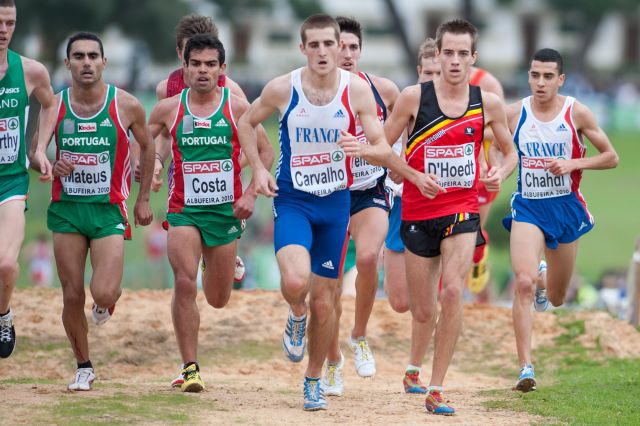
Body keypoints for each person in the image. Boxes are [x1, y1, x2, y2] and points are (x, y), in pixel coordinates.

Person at [238, 14, 427, 411]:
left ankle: (314, 379)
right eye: (316, 45)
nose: (325, 52)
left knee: (326, 300)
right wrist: (257, 169)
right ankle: (295, 314)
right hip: (293, 198)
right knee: (295, 281)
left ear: (340, 46)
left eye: (331, 44)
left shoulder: (356, 91)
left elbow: (380, 143)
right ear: (302, 48)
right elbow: (245, 121)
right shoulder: (281, 88)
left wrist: (370, 152)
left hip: (336, 202)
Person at [383, 19, 517, 415]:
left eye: (463, 54)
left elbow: (510, 152)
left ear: (473, 58)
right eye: (449, 53)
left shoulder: (487, 102)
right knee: (421, 310)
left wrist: (499, 172)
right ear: (436, 56)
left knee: (453, 292)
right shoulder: (412, 98)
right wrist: (410, 174)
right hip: (417, 210)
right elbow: (382, 146)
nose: (455, 61)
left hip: (462, 208)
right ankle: (414, 366)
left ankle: (437, 387)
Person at [148, 34, 271, 393]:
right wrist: (151, 171)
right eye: (196, 64)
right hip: (184, 210)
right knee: (184, 283)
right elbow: (148, 142)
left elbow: (266, 153)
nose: (202, 70)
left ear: (222, 70)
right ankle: (190, 368)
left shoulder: (237, 108)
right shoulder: (169, 107)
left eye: (210, 64)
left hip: (225, 213)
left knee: (218, 298)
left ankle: (213, 262)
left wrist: (251, 193)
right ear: (184, 68)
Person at [38, 32, 154, 390]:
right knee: (72, 294)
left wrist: (143, 198)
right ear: (67, 63)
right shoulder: (54, 106)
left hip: (108, 211)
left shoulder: (127, 105)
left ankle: (105, 305)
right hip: (68, 210)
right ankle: (84, 366)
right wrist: (51, 163)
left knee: (104, 292)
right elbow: (35, 154)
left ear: (104, 62)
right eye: (78, 56)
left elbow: (147, 147)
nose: (86, 62)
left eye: (92, 56)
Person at [504, 48, 618, 392]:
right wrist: (496, 168)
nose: (540, 83)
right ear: (528, 76)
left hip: (566, 208)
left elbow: (611, 156)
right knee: (521, 283)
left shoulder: (576, 113)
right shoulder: (515, 114)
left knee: (556, 297)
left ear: (561, 79)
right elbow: (499, 149)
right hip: (528, 207)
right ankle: (525, 367)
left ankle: (544, 279)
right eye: (535, 75)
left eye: (548, 76)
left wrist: (573, 164)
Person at [321, 16, 401, 397]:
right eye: (341, 46)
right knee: (331, 283)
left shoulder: (382, 90)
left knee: (368, 257)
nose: (347, 54)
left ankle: (359, 335)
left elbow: (399, 134)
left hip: (370, 189)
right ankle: (333, 361)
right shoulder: (312, 94)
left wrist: (396, 163)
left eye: (354, 48)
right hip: (328, 193)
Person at [383, 37, 440, 395]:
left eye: (440, 71)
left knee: (429, 299)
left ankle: (414, 370)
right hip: (402, 204)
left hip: (441, 207)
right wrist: (402, 169)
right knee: (400, 301)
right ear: (420, 72)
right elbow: (387, 160)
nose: (434, 79)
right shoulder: (407, 104)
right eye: (429, 72)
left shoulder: (461, 105)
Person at [0, 0, 56, 359]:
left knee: (6, 264)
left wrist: (39, 148)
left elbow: (49, 103)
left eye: (10, 22)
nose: (3, 29)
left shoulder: (31, 71)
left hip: (10, 181)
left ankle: (3, 315)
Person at [466, 66, 505, 295]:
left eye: (462, 52)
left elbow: (501, 130)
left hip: (482, 170)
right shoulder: (434, 79)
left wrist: (467, 129)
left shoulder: (488, 84)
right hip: (448, 167)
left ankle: (478, 261)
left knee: (473, 230)